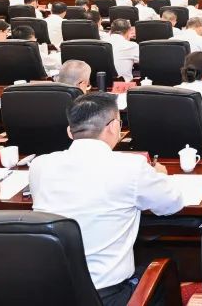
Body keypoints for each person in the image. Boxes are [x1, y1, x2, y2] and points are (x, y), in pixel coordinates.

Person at [29, 93, 184, 305]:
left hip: (52, 293)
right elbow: (172, 203)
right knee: (164, 272)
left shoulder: (40, 166)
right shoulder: (130, 167)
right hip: (107, 297)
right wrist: (160, 176)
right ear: (113, 127)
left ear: (70, 132)